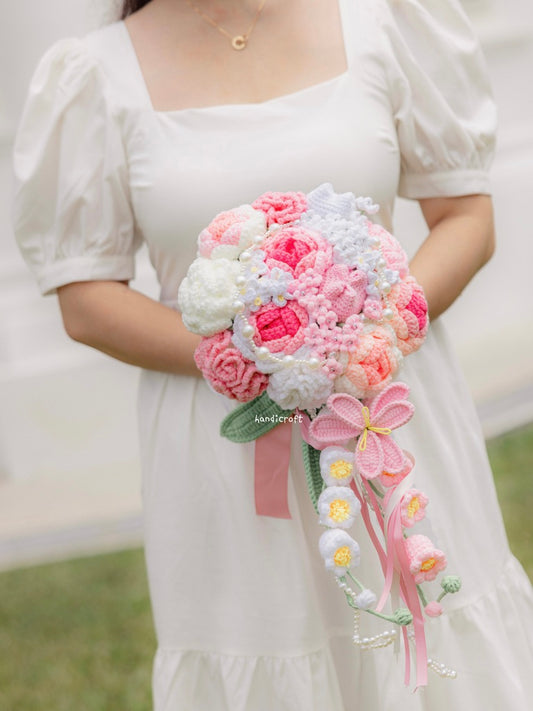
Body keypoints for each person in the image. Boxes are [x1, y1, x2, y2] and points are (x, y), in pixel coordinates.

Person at [12, 0, 533, 709]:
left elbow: (465, 218)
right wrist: (261, 363)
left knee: (434, 631)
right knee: (270, 644)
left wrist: (368, 337)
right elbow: (85, 296)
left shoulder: (382, 20)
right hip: (223, 442)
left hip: (385, 414)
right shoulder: (94, 78)